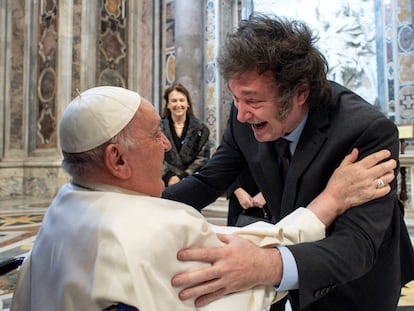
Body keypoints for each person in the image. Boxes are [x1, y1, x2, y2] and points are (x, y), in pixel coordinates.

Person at [10, 86, 395, 311]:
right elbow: (252, 273)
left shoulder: (62, 207)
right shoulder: (160, 228)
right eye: (153, 135)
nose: (165, 144)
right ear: (117, 159)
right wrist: (330, 199)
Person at [163, 13, 414, 311]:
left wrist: (266, 265)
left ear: (299, 93)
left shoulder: (365, 131)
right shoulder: (243, 114)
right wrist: (140, 207)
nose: (241, 114)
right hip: (291, 277)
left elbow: (356, 244)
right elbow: (208, 180)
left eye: (253, 101)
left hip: (358, 284)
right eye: (235, 99)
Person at [161, 82, 210, 186]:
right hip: (164, 183)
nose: (178, 105)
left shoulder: (201, 129)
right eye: (174, 101)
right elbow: (153, 155)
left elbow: (203, 158)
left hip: (192, 183)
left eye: (181, 100)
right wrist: (169, 177)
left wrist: (182, 177)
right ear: (168, 105)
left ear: (188, 103)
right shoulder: (157, 129)